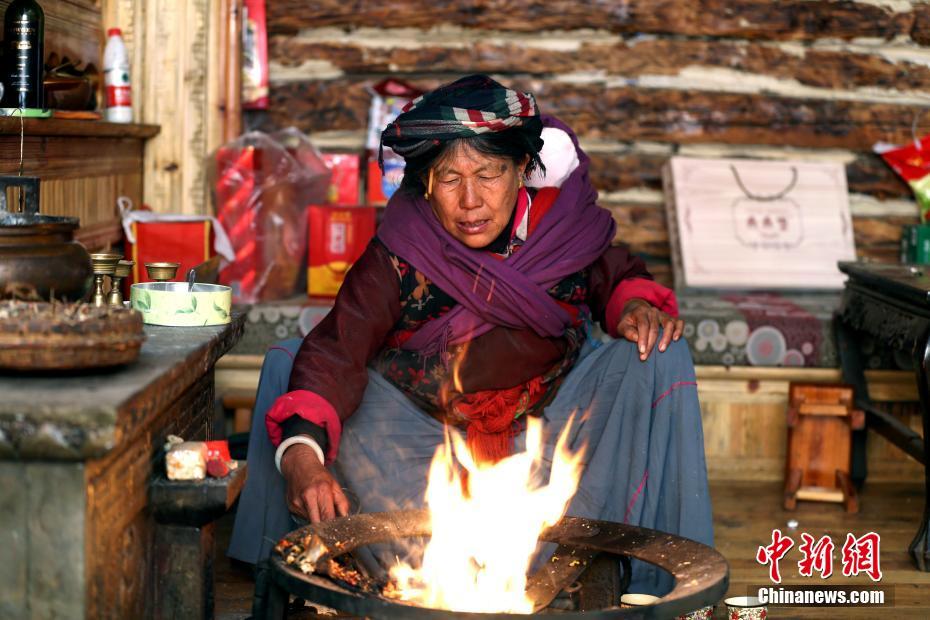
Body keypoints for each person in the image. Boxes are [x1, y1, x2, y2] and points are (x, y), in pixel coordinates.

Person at [229, 74, 712, 596]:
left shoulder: (561, 228)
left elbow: (614, 275)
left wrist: (635, 306)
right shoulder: (401, 248)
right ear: (426, 184)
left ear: (523, 169)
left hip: (546, 442)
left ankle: (665, 586)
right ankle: (344, 574)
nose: (471, 200)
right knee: (294, 367)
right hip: (424, 447)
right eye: (450, 178)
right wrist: (303, 455)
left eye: (489, 174)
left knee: (659, 350)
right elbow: (338, 344)